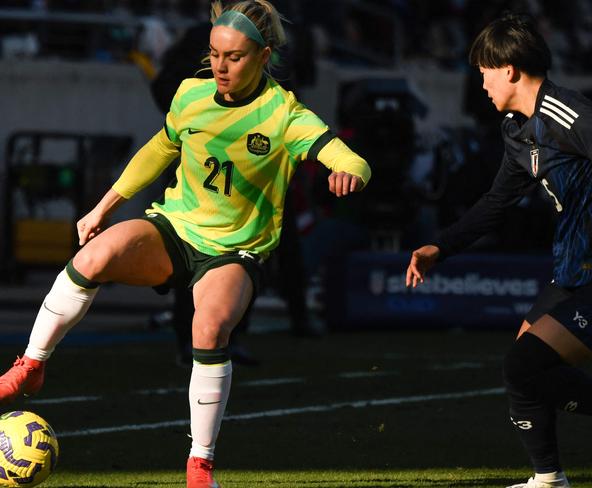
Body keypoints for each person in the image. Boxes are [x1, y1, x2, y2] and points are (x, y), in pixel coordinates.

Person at [0, 1, 371, 487]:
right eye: (214, 53)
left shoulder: (284, 113)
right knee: (93, 256)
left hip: (235, 250)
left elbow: (353, 160)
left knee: (210, 327)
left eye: (233, 57)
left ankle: (200, 466)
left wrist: (349, 173)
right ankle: (31, 366)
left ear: (262, 56)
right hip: (175, 228)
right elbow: (159, 149)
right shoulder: (190, 95)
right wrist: (103, 207)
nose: (219, 66)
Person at [406, 12, 592, 488]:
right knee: (523, 370)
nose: (480, 84)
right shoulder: (518, 129)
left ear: (510, 69)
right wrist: (442, 246)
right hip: (578, 265)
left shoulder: (565, 112)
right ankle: (548, 478)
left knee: (525, 364)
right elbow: (499, 201)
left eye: (483, 72)